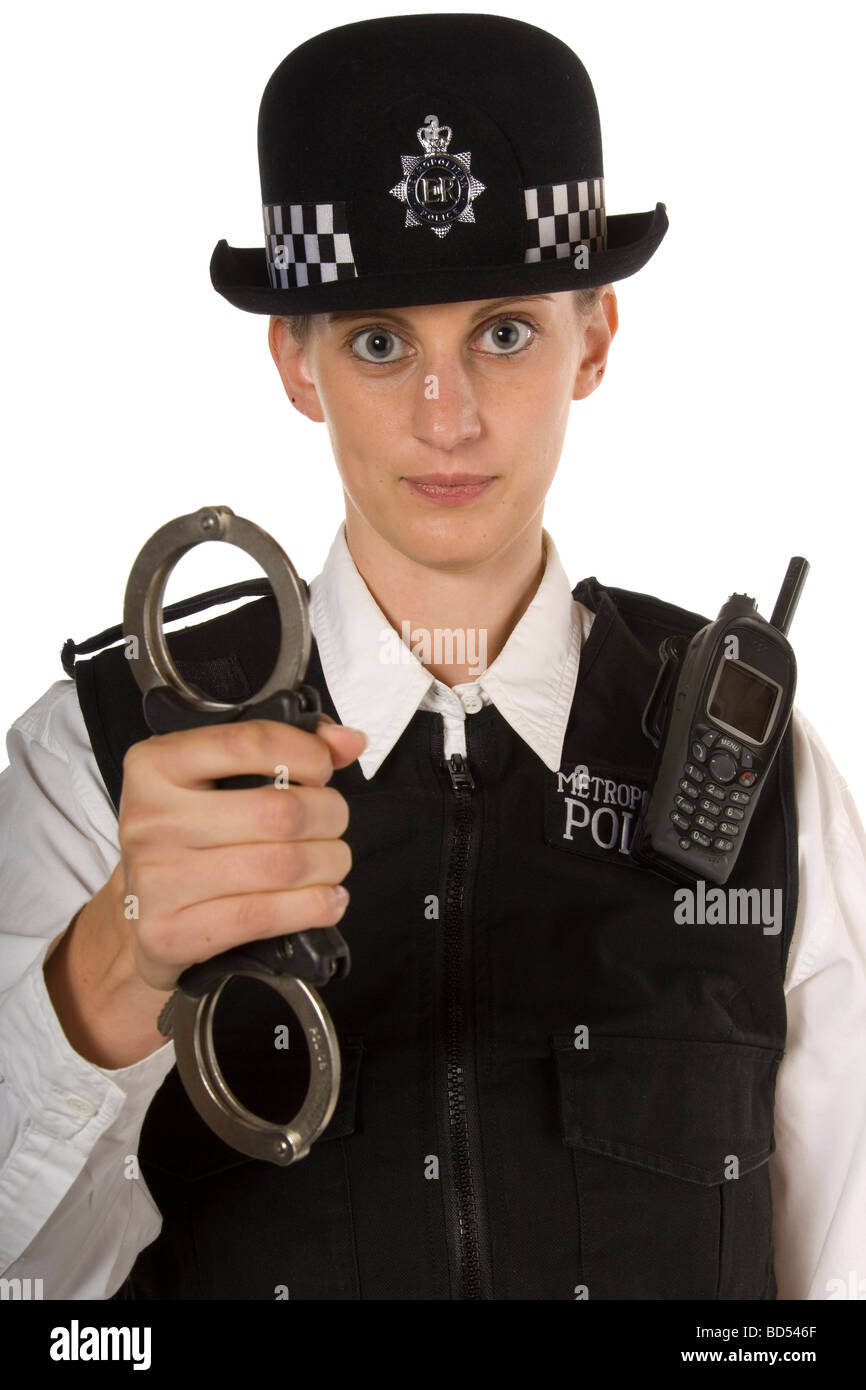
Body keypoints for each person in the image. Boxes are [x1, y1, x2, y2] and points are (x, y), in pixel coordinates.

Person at [1, 13, 864, 1302]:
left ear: (597, 339)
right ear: (296, 361)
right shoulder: (96, 759)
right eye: (380, 340)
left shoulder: (769, 780)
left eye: (504, 332)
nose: (444, 415)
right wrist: (111, 975)